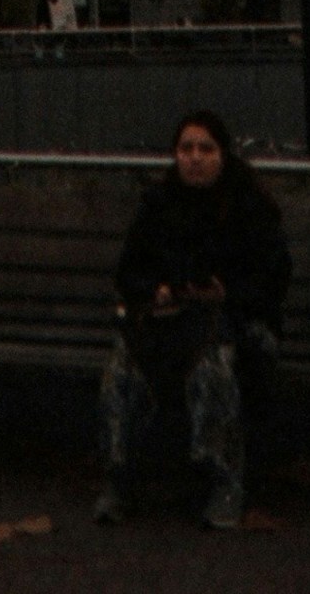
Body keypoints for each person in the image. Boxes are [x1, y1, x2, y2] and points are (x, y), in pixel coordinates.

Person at [95, 110, 291, 530]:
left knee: (214, 365)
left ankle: (223, 481)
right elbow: (130, 271)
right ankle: (119, 477)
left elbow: (272, 279)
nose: (195, 158)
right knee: (122, 365)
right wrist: (158, 291)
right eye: (186, 149)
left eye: (206, 149)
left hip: (239, 323)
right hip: (170, 321)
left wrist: (227, 295)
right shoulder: (159, 203)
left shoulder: (249, 206)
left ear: (223, 155)